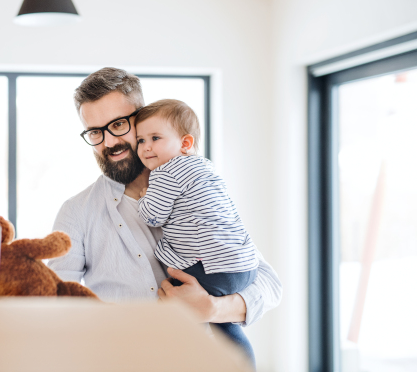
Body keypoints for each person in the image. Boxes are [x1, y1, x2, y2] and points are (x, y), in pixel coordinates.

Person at [47, 67, 281, 367]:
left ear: (141, 119)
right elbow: (55, 309)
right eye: (95, 132)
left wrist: (212, 309)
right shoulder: (76, 212)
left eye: (118, 124)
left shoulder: (196, 186)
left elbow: (268, 283)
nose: (108, 142)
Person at [135, 99, 258, 361]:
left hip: (212, 269)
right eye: (140, 141)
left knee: (173, 293)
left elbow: (152, 215)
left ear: (185, 143)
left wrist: (145, 197)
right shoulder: (205, 166)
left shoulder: (165, 172)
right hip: (245, 266)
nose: (146, 148)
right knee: (223, 324)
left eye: (155, 138)